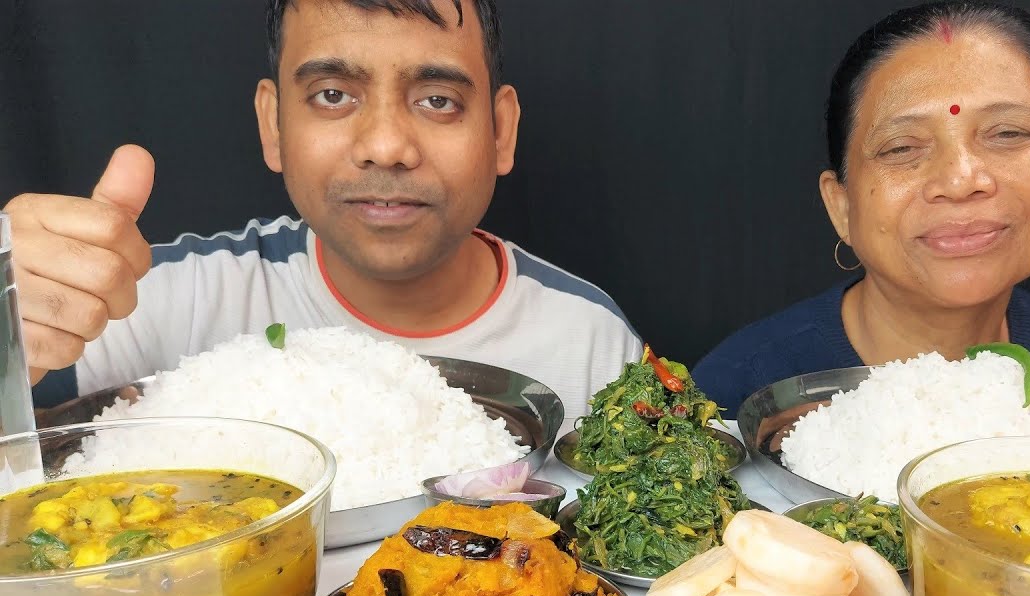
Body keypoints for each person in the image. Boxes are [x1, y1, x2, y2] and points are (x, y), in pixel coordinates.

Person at [6, 0, 641, 421]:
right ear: (272, 123)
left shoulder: (593, 344)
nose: (387, 147)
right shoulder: (148, 299)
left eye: (439, 100)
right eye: (333, 95)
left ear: (500, 131)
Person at [693, 1, 1030, 417]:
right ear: (842, 205)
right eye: (902, 147)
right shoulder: (736, 394)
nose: (961, 180)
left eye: (1007, 133)